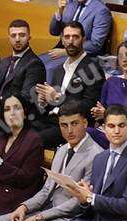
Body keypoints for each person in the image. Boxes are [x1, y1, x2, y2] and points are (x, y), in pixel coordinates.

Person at [32, 21, 105, 149]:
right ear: (62, 40)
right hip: (49, 120)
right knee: (17, 132)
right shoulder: (59, 69)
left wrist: (57, 97)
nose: (71, 41)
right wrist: (44, 101)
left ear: (83, 39)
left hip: (71, 125)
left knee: (31, 141)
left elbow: (88, 107)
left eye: (75, 37)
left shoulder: (93, 69)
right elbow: (51, 104)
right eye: (67, 37)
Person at [0, 19, 46, 121]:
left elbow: (27, 98)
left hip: (16, 118)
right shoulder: (4, 61)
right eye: (13, 36)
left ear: (29, 37)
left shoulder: (35, 64)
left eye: (22, 35)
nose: (17, 39)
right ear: (9, 38)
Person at [88, 42, 127, 148]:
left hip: (123, 135)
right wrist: (97, 112)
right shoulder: (111, 81)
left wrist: (106, 114)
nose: (124, 60)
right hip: (104, 130)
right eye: (120, 56)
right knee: (82, 132)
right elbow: (101, 112)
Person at [41, 0, 113, 79]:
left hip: (83, 54)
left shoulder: (101, 10)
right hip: (62, 48)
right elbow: (54, 32)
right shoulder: (71, 3)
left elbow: (95, 44)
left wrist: (65, 52)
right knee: (37, 62)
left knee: (49, 69)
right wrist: (59, 12)